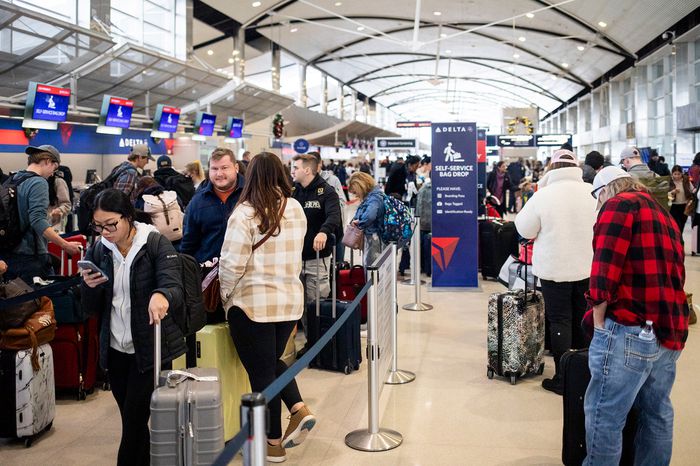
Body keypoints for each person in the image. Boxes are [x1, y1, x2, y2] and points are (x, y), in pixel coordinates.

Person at [584, 166, 687, 466]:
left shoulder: (618, 205)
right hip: (669, 330)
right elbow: (676, 274)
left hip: (629, 327)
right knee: (656, 412)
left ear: (604, 190)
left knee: (606, 413)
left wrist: (599, 322)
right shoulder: (663, 214)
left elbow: (604, 268)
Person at [219, 152, 315, 463]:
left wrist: (224, 299)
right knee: (270, 363)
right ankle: (298, 409)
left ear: (250, 176)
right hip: (288, 303)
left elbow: (231, 265)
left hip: (252, 306)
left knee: (261, 376)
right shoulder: (296, 207)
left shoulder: (245, 214)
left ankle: (272, 443)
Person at [79, 188, 186, 466]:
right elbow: (90, 307)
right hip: (115, 349)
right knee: (133, 421)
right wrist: (88, 287)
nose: (105, 231)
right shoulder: (100, 248)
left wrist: (161, 294)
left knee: (133, 421)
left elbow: (173, 284)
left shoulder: (154, 243)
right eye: (98, 226)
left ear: (128, 217)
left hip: (148, 350)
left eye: (111, 224)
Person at [514, 149, 597, 395]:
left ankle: (563, 377)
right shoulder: (591, 192)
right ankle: (584, 373)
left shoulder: (544, 195)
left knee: (560, 319)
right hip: (587, 266)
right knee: (583, 316)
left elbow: (526, 229)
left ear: (552, 168)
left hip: (554, 267)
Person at [1, 145, 82, 283]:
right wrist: (65, 245)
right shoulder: (38, 182)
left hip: (8, 253)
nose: (52, 174)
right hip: (31, 256)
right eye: (54, 168)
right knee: (44, 302)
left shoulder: (12, 179)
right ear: (47, 161)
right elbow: (37, 220)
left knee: (18, 302)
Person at [291, 154, 341, 347]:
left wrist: (323, 232)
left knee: (317, 304)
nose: (292, 171)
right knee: (301, 305)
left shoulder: (326, 192)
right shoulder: (294, 191)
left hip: (317, 259)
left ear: (308, 170)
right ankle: (312, 344)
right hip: (295, 259)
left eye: (296, 167)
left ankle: (323, 346)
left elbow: (334, 216)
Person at [180, 147, 244, 263]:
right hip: (209, 274)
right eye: (214, 169)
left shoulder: (251, 195)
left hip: (245, 272)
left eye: (224, 168)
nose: (219, 174)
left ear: (236, 168)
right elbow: (188, 245)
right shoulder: (197, 202)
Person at [309, 151, 346, 263]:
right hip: (315, 229)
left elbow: (341, 202)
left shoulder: (332, 180)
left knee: (337, 261)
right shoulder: (305, 181)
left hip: (334, 227)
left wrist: (328, 207)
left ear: (320, 164)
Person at [348, 172, 385, 268]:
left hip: (374, 238)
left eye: (356, 192)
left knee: (371, 268)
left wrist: (359, 222)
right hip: (373, 237)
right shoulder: (373, 196)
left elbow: (370, 216)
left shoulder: (374, 198)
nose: (356, 195)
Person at [668, 165, 694, 237]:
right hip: (673, 206)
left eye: (679, 174)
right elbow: (666, 194)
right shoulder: (669, 181)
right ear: (672, 174)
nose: (677, 176)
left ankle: (679, 241)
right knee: (676, 226)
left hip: (684, 206)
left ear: (681, 173)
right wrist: (672, 192)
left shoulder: (686, 180)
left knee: (682, 225)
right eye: (675, 174)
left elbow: (692, 190)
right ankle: (678, 241)